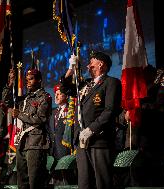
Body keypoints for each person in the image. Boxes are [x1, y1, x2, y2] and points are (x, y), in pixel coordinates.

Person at [67, 51, 122, 189]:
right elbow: (65, 89)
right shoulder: (85, 84)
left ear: (101, 64)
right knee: (84, 183)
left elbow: (110, 110)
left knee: (102, 182)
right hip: (82, 140)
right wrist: (70, 68)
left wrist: (91, 129)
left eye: (91, 63)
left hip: (99, 140)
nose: (87, 66)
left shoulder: (111, 82)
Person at [3, 68, 52, 189]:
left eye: (31, 79)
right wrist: (10, 83)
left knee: (34, 181)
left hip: (36, 143)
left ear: (39, 80)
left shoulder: (45, 97)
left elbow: (40, 119)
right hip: (23, 142)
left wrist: (19, 114)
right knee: (22, 181)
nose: (27, 82)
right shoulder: (25, 99)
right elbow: (6, 101)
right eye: (26, 80)